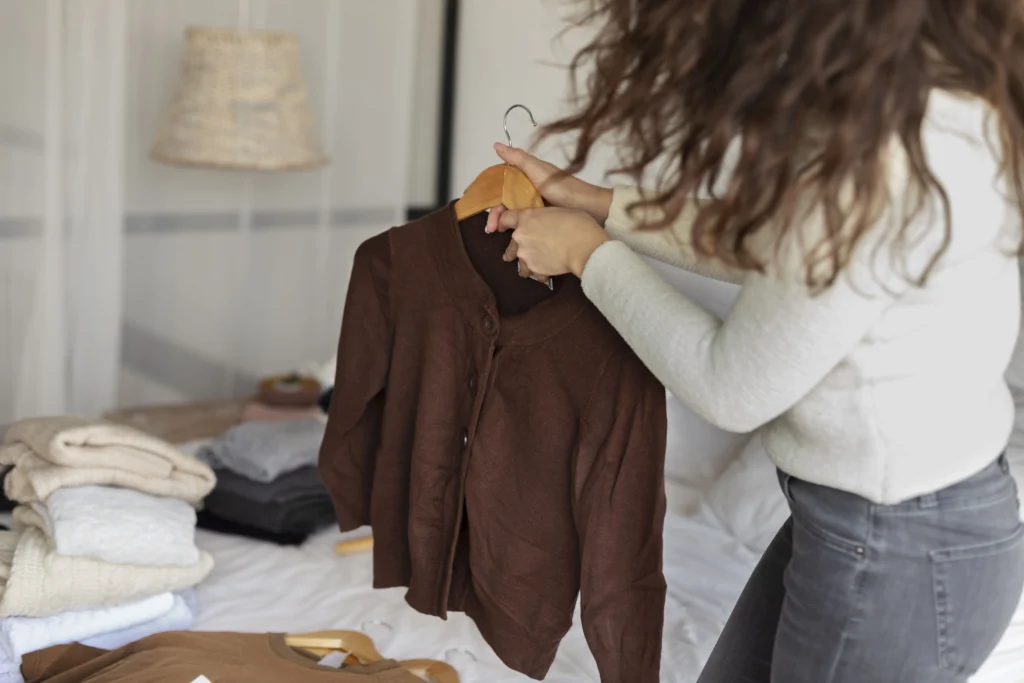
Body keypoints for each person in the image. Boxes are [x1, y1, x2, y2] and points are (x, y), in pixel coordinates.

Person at [481, 1, 1024, 681]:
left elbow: (730, 385)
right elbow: (776, 245)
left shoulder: (877, 162)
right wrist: (602, 206)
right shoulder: (924, 100)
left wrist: (591, 256)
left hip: (897, 548)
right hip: (876, 526)